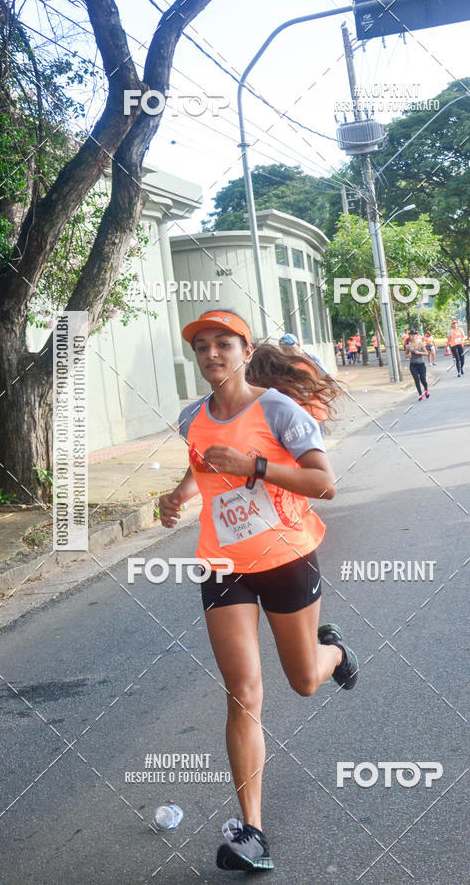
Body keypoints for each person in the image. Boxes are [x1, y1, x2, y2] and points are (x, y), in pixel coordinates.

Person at [159, 309, 358, 873]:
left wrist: (256, 465)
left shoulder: (278, 409)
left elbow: (324, 483)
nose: (212, 355)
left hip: (287, 560)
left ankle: (335, 650)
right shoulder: (191, 418)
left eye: (223, 344)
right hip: (223, 565)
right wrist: (177, 498)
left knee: (301, 681)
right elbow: (201, 467)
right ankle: (253, 832)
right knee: (242, 692)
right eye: (202, 347)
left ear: (245, 352)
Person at [405, 329, 430, 400]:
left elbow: (426, 353)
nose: (413, 336)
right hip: (413, 365)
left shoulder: (420, 343)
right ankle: (420, 394)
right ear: (409, 336)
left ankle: (426, 390)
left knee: (423, 379)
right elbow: (406, 355)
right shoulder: (408, 346)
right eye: (411, 335)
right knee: (416, 379)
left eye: (414, 335)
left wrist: (419, 353)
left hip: (421, 364)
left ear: (416, 335)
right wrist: (408, 355)